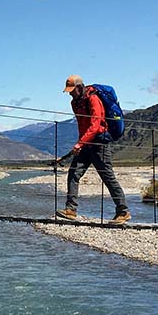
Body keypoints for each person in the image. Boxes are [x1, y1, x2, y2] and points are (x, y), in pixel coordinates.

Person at [56, 75, 131, 225]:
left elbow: (95, 124)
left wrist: (80, 143)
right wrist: (81, 143)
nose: (70, 93)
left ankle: (123, 212)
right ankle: (70, 210)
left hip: (99, 143)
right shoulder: (74, 103)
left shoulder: (93, 99)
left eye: (71, 90)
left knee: (107, 177)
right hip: (86, 143)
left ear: (79, 87)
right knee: (74, 173)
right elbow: (82, 125)